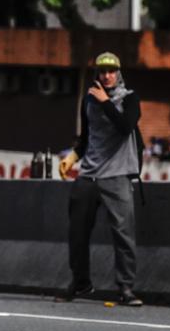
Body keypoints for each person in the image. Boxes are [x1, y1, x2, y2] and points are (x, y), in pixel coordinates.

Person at [57, 52, 143, 307]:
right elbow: (86, 137)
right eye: (102, 72)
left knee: (123, 235)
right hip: (89, 174)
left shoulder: (130, 98)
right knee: (77, 232)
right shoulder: (89, 100)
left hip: (117, 175)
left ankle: (126, 288)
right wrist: (72, 157)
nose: (106, 76)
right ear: (97, 74)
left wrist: (106, 101)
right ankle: (80, 283)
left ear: (118, 73)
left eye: (111, 71)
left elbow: (125, 127)